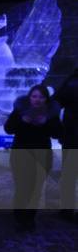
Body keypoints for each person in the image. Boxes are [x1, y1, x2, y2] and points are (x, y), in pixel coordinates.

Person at [4, 84, 62, 232]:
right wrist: (22, 121)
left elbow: (58, 133)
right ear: (29, 97)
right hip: (21, 154)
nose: (37, 100)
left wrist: (46, 123)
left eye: (41, 97)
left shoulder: (50, 113)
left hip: (42, 155)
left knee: (36, 188)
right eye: (34, 96)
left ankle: (29, 219)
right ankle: (19, 216)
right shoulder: (20, 110)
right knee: (22, 187)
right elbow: (9, 128)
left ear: (46, 99)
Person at [53, 68, 78, 221]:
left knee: (69, 174)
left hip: (72, 135)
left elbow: (57, 102)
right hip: (72, 135)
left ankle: (67, 210)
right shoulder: (72, 81)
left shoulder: (72, 81)